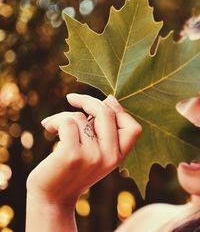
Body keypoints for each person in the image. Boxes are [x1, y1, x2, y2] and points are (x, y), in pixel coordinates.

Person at [25, 93, 200, 232]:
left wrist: (53, 205)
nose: (187, 119)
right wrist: (53, 201)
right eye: (184, 98)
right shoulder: (147, 220)